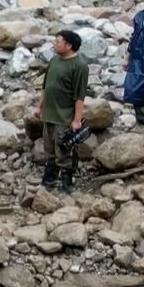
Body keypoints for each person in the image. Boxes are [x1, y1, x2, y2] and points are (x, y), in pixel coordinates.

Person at [41, 30, 90, 193]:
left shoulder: (80, 65)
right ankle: (49, 181)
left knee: (64, 152)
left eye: (58, 42)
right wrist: (39, 107)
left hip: (64, 116)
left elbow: (80, 95)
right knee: (49, 150)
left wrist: (77, 120)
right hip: (49, 114)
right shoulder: (54, 60)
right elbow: (46, 87)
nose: (54, 44)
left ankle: (66, 185)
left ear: (69, 45)